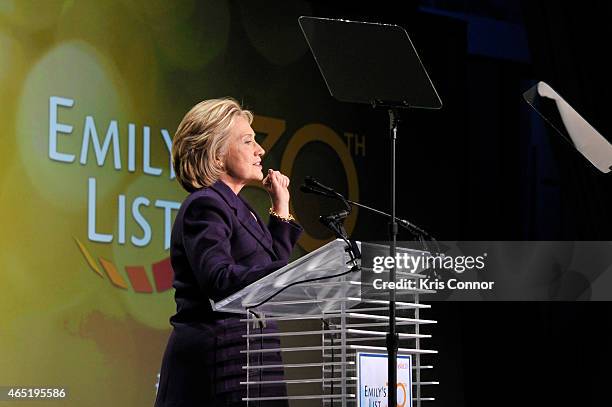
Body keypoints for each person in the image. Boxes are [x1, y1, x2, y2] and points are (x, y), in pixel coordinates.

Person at [155, 98, 302, 407]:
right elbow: (218, 279)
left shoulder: (241, 209)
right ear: (217, 154)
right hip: (220, 362)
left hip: (255, 359)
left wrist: (281, 207)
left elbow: (272, 268)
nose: (260, 150)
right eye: (248, 141)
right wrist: (288, 274)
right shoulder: (205, 205)